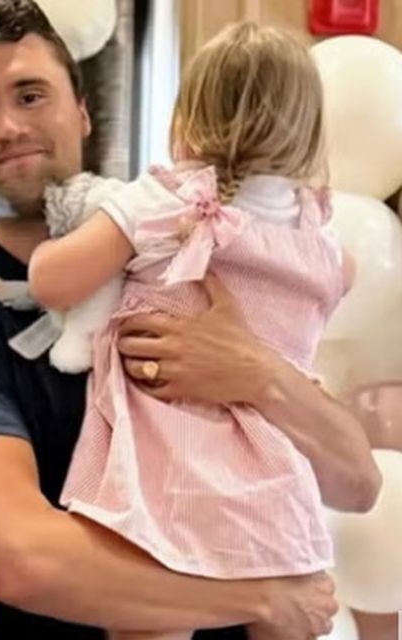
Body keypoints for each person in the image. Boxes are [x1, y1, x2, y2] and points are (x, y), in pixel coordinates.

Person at [0, 1, 382, 638]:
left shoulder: (205, 246)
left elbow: (358, 484)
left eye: (31, 95)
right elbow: (19, 559)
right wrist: (262, 598)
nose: (9, 126)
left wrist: (258, 374)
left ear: (82, 111)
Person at [26, 22, 354, 640]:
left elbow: (52, 281)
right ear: (309, 132)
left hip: (170, 461)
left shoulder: (170, 199)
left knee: (154, 615)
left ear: (187, 119)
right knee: (293, 610)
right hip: (276, 472)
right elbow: (340, 279)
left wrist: (60, 249)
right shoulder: (317, 234)